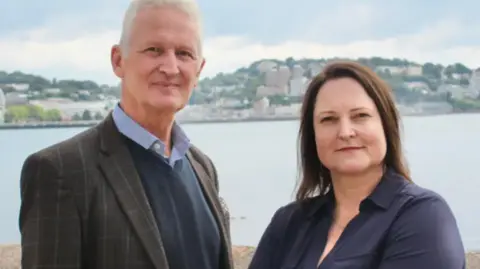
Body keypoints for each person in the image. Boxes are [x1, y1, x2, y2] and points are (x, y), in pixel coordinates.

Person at [18, 0, 233, 268]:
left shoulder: (202, 168)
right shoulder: (61, 171)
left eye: (184, 53)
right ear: (118, 61)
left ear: (199, 69)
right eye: (154, 50)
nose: (170, 67)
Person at [248, 61, 465, 269]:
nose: (345, 132)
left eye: (360, 116)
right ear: (312, 137)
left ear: (386, 126)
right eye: (329, 119)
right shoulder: (289, 223)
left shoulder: (423, 217)